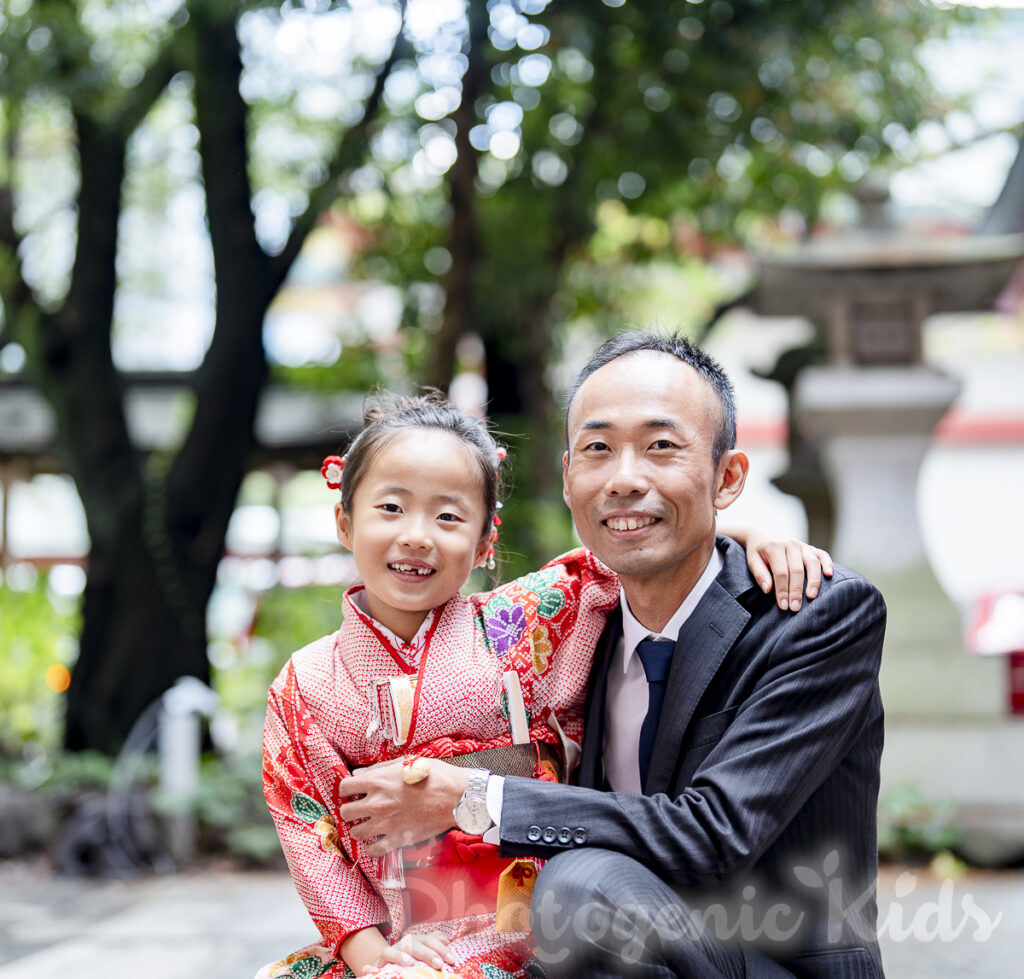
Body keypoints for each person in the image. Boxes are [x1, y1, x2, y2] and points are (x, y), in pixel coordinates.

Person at [339, 332, 886, 979]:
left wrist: (473, 797)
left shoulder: (816, 615)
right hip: (609, 951)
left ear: (728, 476)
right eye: (599, 449)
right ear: (570, 480)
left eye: (661, 447)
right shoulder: (573, 624)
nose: (626, 478)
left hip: (767, 959)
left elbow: (712, 836)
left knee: (578, 887)